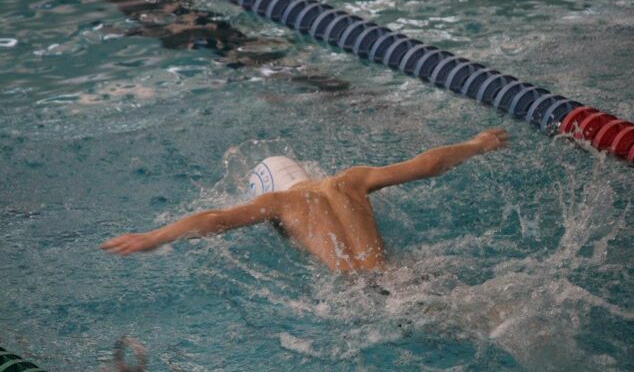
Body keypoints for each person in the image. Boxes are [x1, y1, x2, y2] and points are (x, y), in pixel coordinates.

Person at [101, 129, 509, 271]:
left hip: (360, 296)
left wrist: (153, 237)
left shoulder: (279, 204)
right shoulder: (351, 179)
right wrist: (476, 144)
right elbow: (427, 164)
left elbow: (215, 220)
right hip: (401, 274)